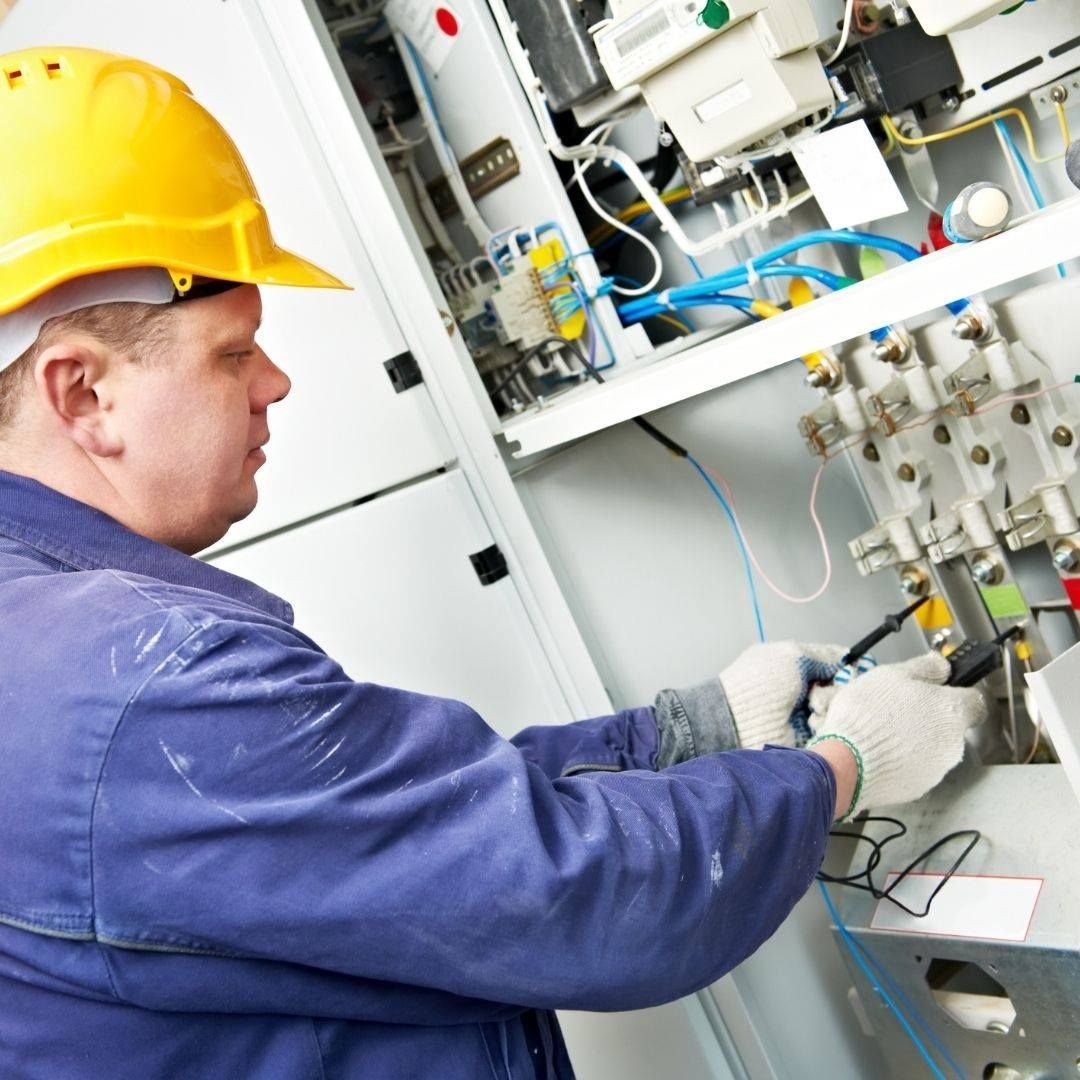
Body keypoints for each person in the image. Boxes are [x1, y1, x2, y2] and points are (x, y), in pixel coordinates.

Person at [0, 46, 986, 1079]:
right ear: (83, 396)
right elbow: (579, 897)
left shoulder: (57, 652)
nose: (278, 382)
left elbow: (393, 832)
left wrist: (692, 730)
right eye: (234, 352)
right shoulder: (144, 687)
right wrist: (844, 768)